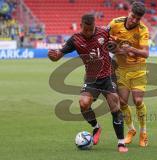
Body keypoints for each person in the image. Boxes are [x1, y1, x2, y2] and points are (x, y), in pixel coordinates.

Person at [48, 13, 128, 153]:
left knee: (114, 104)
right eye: (86, 30)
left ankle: (121, 143)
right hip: (91, 79)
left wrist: (118, 47)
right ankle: (96, 127)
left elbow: (116, 45)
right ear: (81, 26)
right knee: (83, 103)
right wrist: (54, 56)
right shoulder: (75, 39)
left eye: (91, 30)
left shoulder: (104, 32)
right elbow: (59, 54)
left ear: (95, 26)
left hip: (108, 76)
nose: (89, 33)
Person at [108, 1, 149, 147]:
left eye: (138, 19)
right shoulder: (115, 23)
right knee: (123, 102)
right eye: (132, 16)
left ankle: (144, 132)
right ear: (129, 12)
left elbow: (146, 53)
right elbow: (105, 40)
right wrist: (114, 48)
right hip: (121, 69)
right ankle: (131, 130)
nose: (134, 20)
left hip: (138, 69)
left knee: (137, 101)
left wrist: (130, 49)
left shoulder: (143, 30)